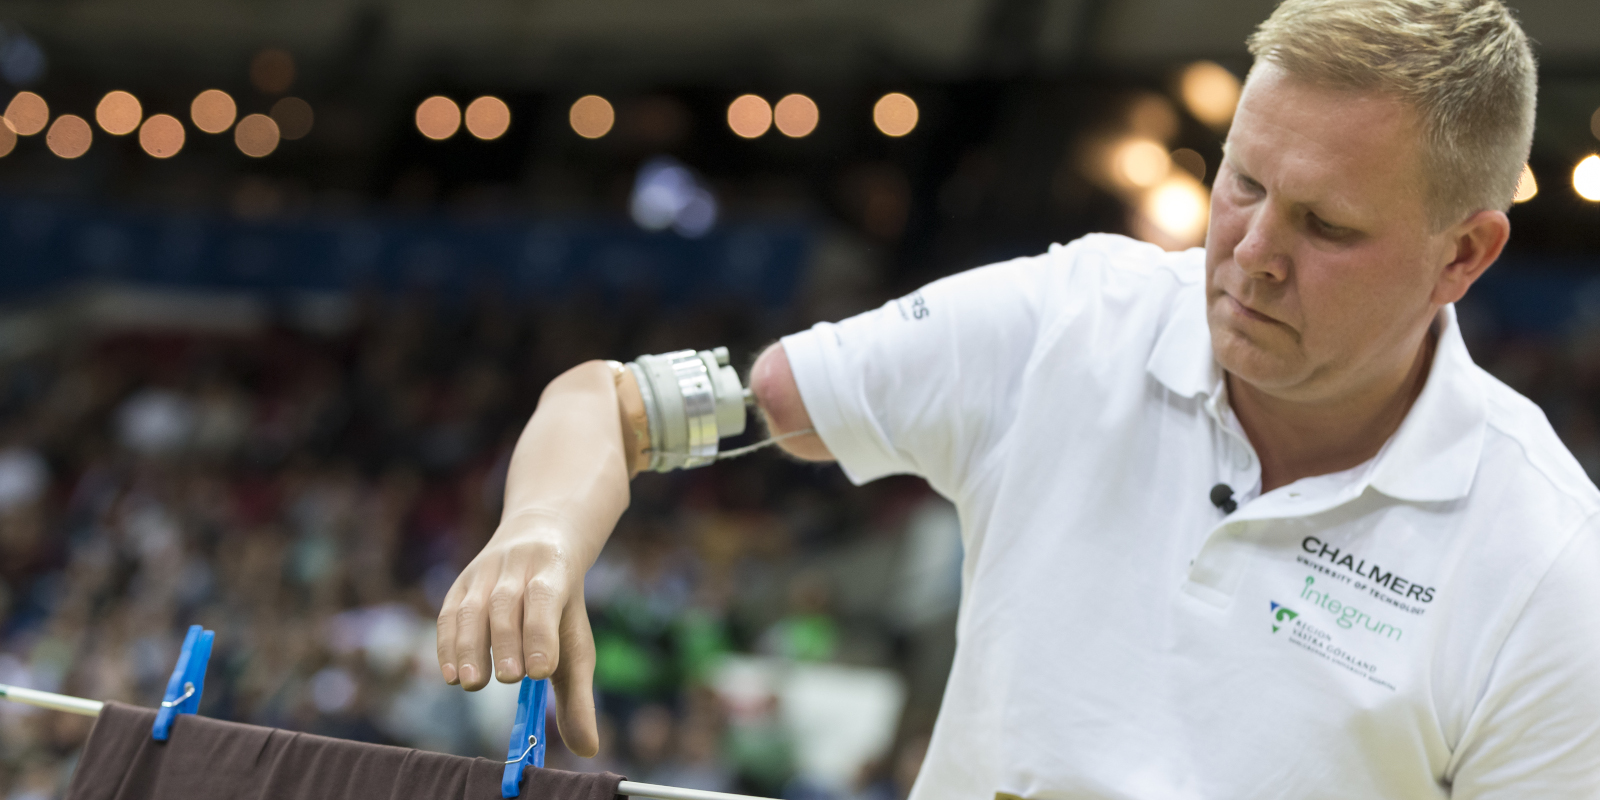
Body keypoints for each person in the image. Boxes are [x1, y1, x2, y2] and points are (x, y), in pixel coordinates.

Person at [436, 0, 1600, 795]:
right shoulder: (1063, 324)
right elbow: (614, 405)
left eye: (1327, 226)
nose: (1248, 253)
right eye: (1240, 180)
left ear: (1465, 256)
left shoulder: (1548, 568)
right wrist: (542, 525)